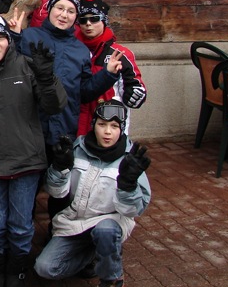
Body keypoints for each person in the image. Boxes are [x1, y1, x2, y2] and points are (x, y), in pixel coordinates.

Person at [0, 9, 68, 286]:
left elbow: (54, 105)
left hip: (26, 161)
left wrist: (46, 78)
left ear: (9, 40)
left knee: (20, 225)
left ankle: (17, 267)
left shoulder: (27, 67)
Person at [8, 0, 123, 224]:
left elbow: (84, 92)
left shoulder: (80, 50)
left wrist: (108, 75)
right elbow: (9, 70)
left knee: (59, 189)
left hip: (62, 129)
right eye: (60, 8)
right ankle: (24, 234)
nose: (64, 15)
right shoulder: (29, 37)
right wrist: (15, 38)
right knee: (27, 189)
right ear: (50, 10)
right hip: (31, 127)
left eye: (71, 11)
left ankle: (57, 233)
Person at [34, 100, 152, 287]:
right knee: (45, 268)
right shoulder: (77, 149)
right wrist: (59, 167)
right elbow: (55, 192)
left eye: (114, 126)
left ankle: (111, 278)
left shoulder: (130, 160)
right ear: (93, 125)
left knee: (105, 231)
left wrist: (127, 184)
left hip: (108, 223)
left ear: (122, 129)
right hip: (75, 222)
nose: (107, 132)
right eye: (102, 124)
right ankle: (96, 254)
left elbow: (132, 210)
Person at [75, 0, 147, 135]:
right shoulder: (72, 51)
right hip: (78, 122)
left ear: (104, 21)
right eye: (83, 20)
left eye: (94, 18)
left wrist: (135, 93)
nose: (88, 23)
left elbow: (135, 85)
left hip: (109, 123)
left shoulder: (120, 53)